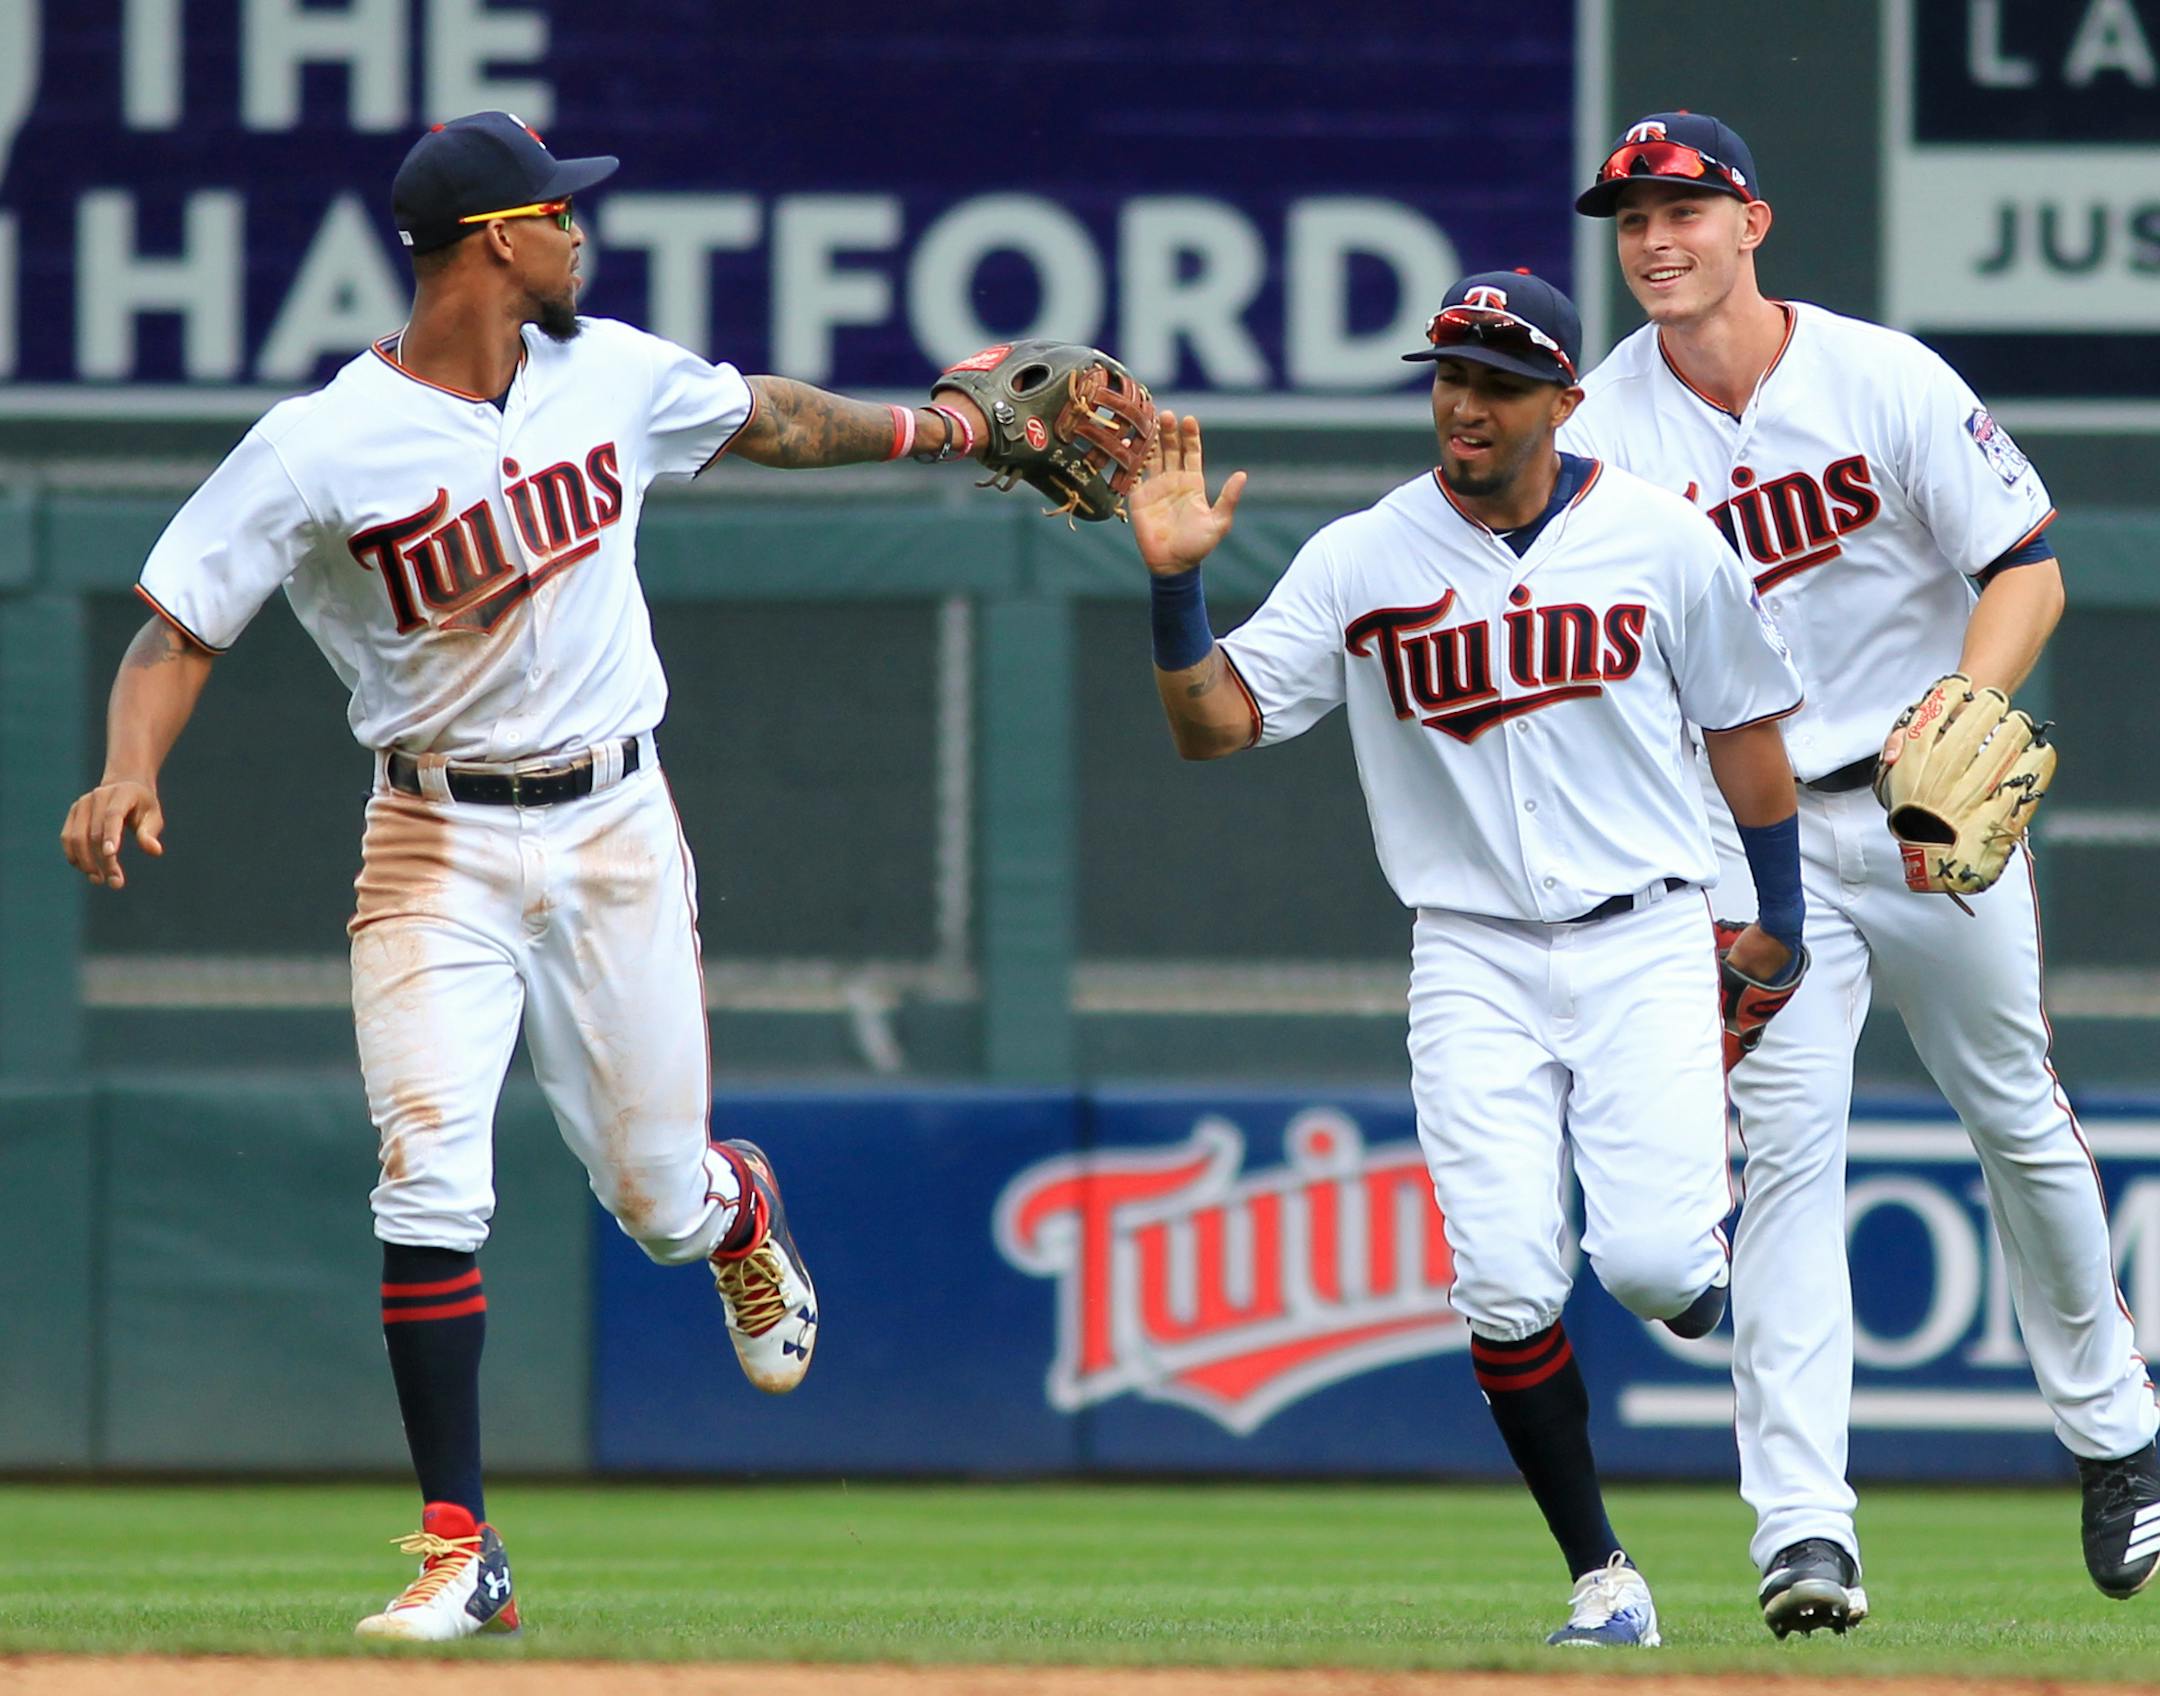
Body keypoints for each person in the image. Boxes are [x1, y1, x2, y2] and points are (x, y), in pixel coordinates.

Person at [57, 111, 995, 1642]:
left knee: (657, 1203)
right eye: (561, 213)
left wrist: (942, 433)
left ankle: (736, 1213)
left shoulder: (609, 372)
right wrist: (129, 764)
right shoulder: (322, 441)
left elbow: (768, 419)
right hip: (434, 840)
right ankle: (460, 1549)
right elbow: (179, 624)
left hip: (619, 829)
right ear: (497, 241)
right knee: (431, 1175)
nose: (580, 233)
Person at [1128, 268, 1808, 1648]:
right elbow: (1216, 727)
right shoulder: (1364, 556)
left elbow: (1746, 736)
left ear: (1566, 399)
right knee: (1501, 1279)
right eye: (1449, 374)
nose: (1465, 403)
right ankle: (1604, 1580)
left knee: (1652, 1267)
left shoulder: (1663, 539)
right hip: (1471, 953)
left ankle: (1695, 1276)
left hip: (1646, 932)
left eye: (1499, 380)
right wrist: (1177, 588)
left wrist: (1778, 925)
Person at [1563, 110, 2160, 1636]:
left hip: (1924, 811)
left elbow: (2027, 564)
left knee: (2018, 1119)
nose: (1654, 239)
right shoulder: (1599, 431)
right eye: (1632, 218)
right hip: (1748, 832)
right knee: (1789, 1164)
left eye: (1683, 209)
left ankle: (2118, 1438)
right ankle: (1803, 1532)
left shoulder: (1880, 377)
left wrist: (1968, 703)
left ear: (1751, 221)